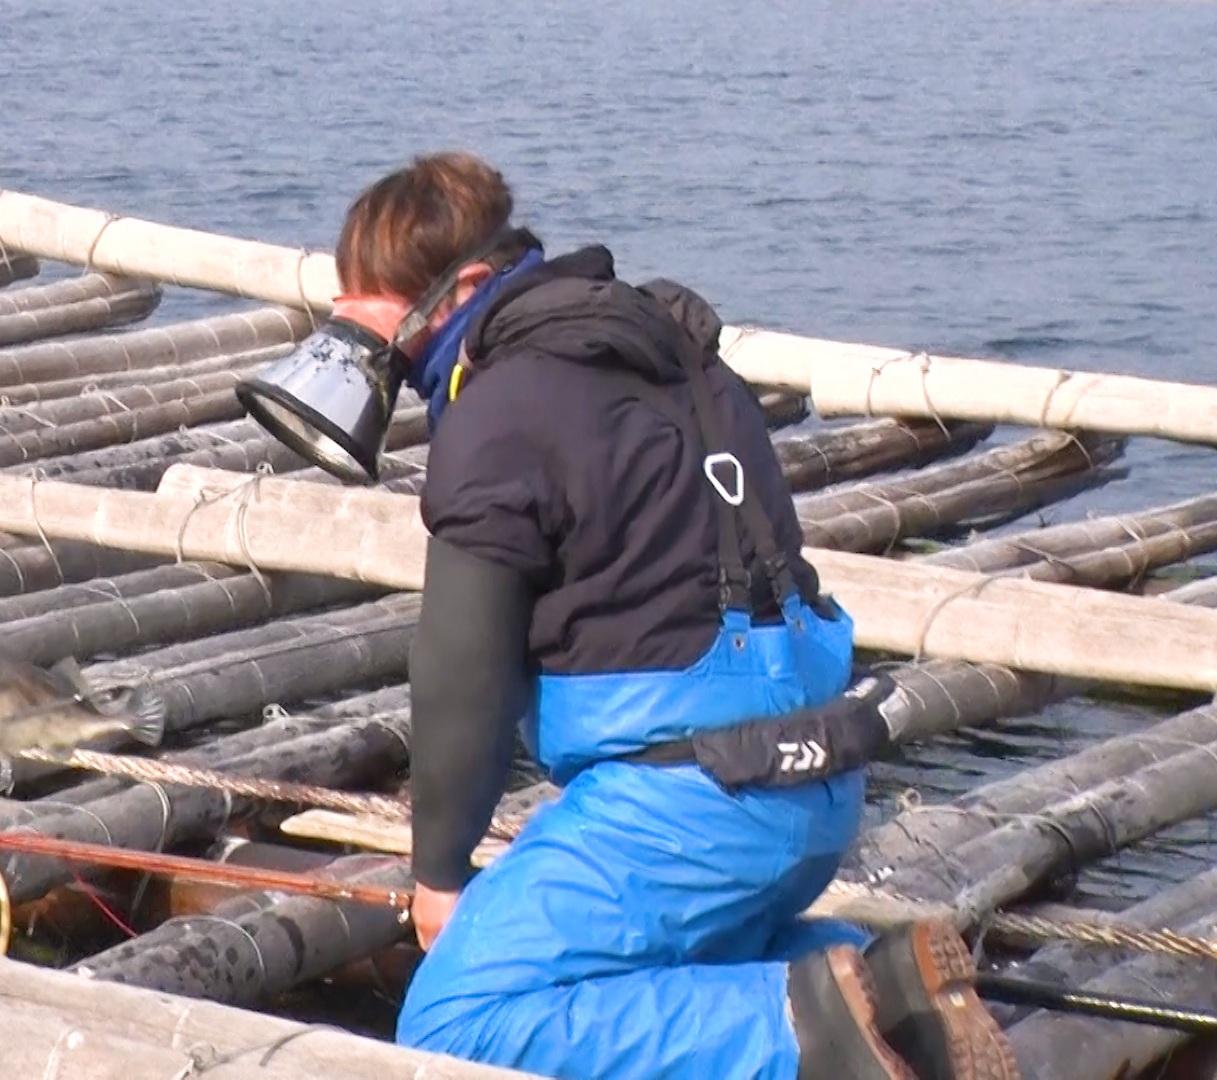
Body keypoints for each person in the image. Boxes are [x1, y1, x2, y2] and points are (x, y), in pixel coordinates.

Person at [315, 152, 1022, 1080]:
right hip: (813, 784)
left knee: (458, 1016)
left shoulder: (496, 415)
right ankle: (890, 984)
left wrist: (439, 874)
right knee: (660, 954)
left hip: (688, 804)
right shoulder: (677, 359)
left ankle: (802, 1034)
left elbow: (462, 678)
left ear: (470, 288)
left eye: (385, 332)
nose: (388, 365)